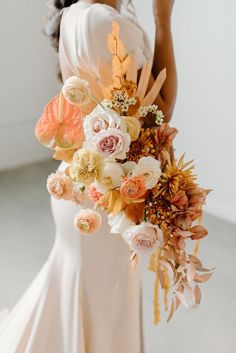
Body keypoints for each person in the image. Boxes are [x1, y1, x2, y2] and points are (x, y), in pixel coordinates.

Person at [0, 1, 177, 352]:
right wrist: (163, 19)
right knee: (106, 306)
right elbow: (160, 109)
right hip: (106, 194)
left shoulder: (74, 14)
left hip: (80, 181)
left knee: (72, 286)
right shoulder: (108, 23)